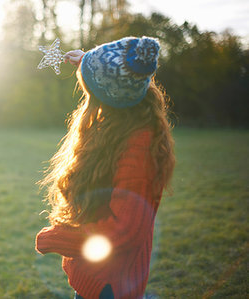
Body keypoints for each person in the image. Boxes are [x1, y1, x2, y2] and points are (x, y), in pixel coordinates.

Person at [35, 36, 176, 299]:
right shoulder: (126, 119)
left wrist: (60, 237)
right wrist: (85, 62)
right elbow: (115, 80)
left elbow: (124, 230)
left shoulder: (139, 147)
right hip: (100, 277)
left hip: (110, 285)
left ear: (109, 98)